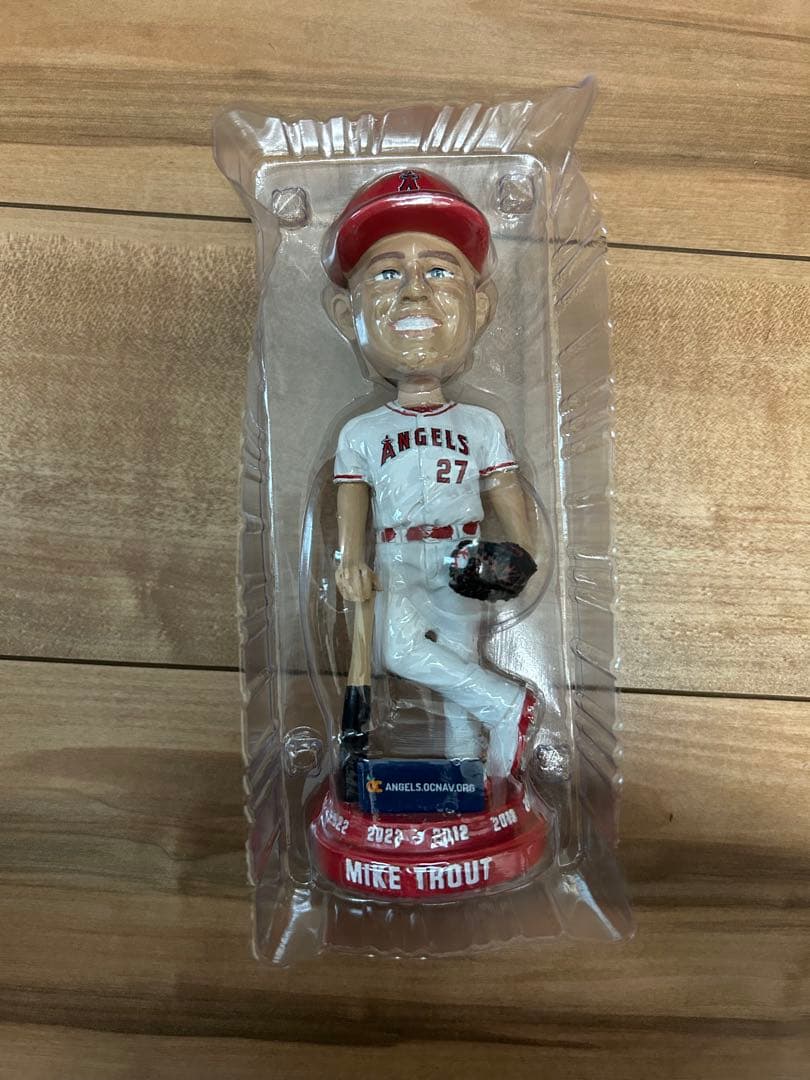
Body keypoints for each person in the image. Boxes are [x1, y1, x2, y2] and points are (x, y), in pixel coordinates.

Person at [323, 169, 538, 779]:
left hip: (463, 555)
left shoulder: (480, 424)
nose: (414, 292)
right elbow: (352, 501)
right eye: (388, 274)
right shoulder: (361, 431)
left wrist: (524, 550)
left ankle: (471, 772)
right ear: (346, 312)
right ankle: (506, 705)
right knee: (397, 650)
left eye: (440, 272)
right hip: (394, 556)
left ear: (480, 307)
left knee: (459, 661)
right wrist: (350, 558)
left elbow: (504, 489)